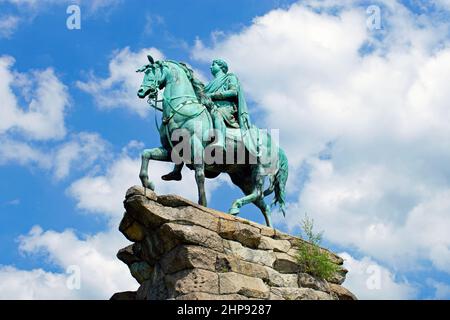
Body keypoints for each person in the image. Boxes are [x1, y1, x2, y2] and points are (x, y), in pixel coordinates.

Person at [161, 59, 252, 181]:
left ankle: (219, 142)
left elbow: (234, 92)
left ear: (221, 67)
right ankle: (177, 170)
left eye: (213, 64)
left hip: (225, 108)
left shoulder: (230, 77)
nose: (210, 66)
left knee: (217, 114)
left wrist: (213, 96)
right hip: (208, 107)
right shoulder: (209, 84)